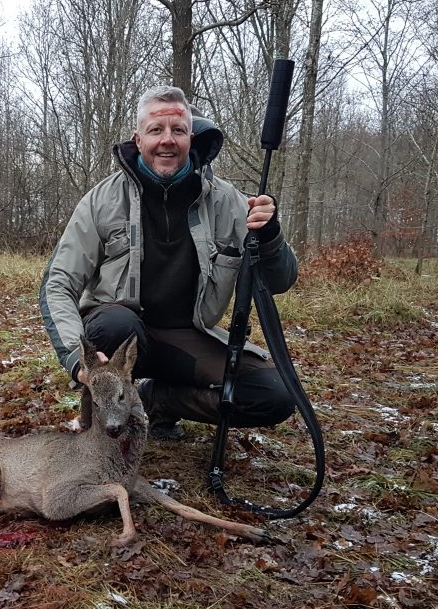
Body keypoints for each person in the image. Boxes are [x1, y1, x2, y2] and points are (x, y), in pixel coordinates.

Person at [39, 86, 298, 440]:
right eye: (156, 130)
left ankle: (158, 401)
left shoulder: (230, 202)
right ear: (138, 138)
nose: (167, 141)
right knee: (114, 324)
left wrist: (269, 235)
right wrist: (74, 357)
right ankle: (102, 427)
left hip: (188, 336)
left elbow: (280, 280)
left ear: (190, 137)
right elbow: (58, 283)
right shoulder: (102, 200)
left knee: (274, 394)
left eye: (177, 131)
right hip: (119, 333)